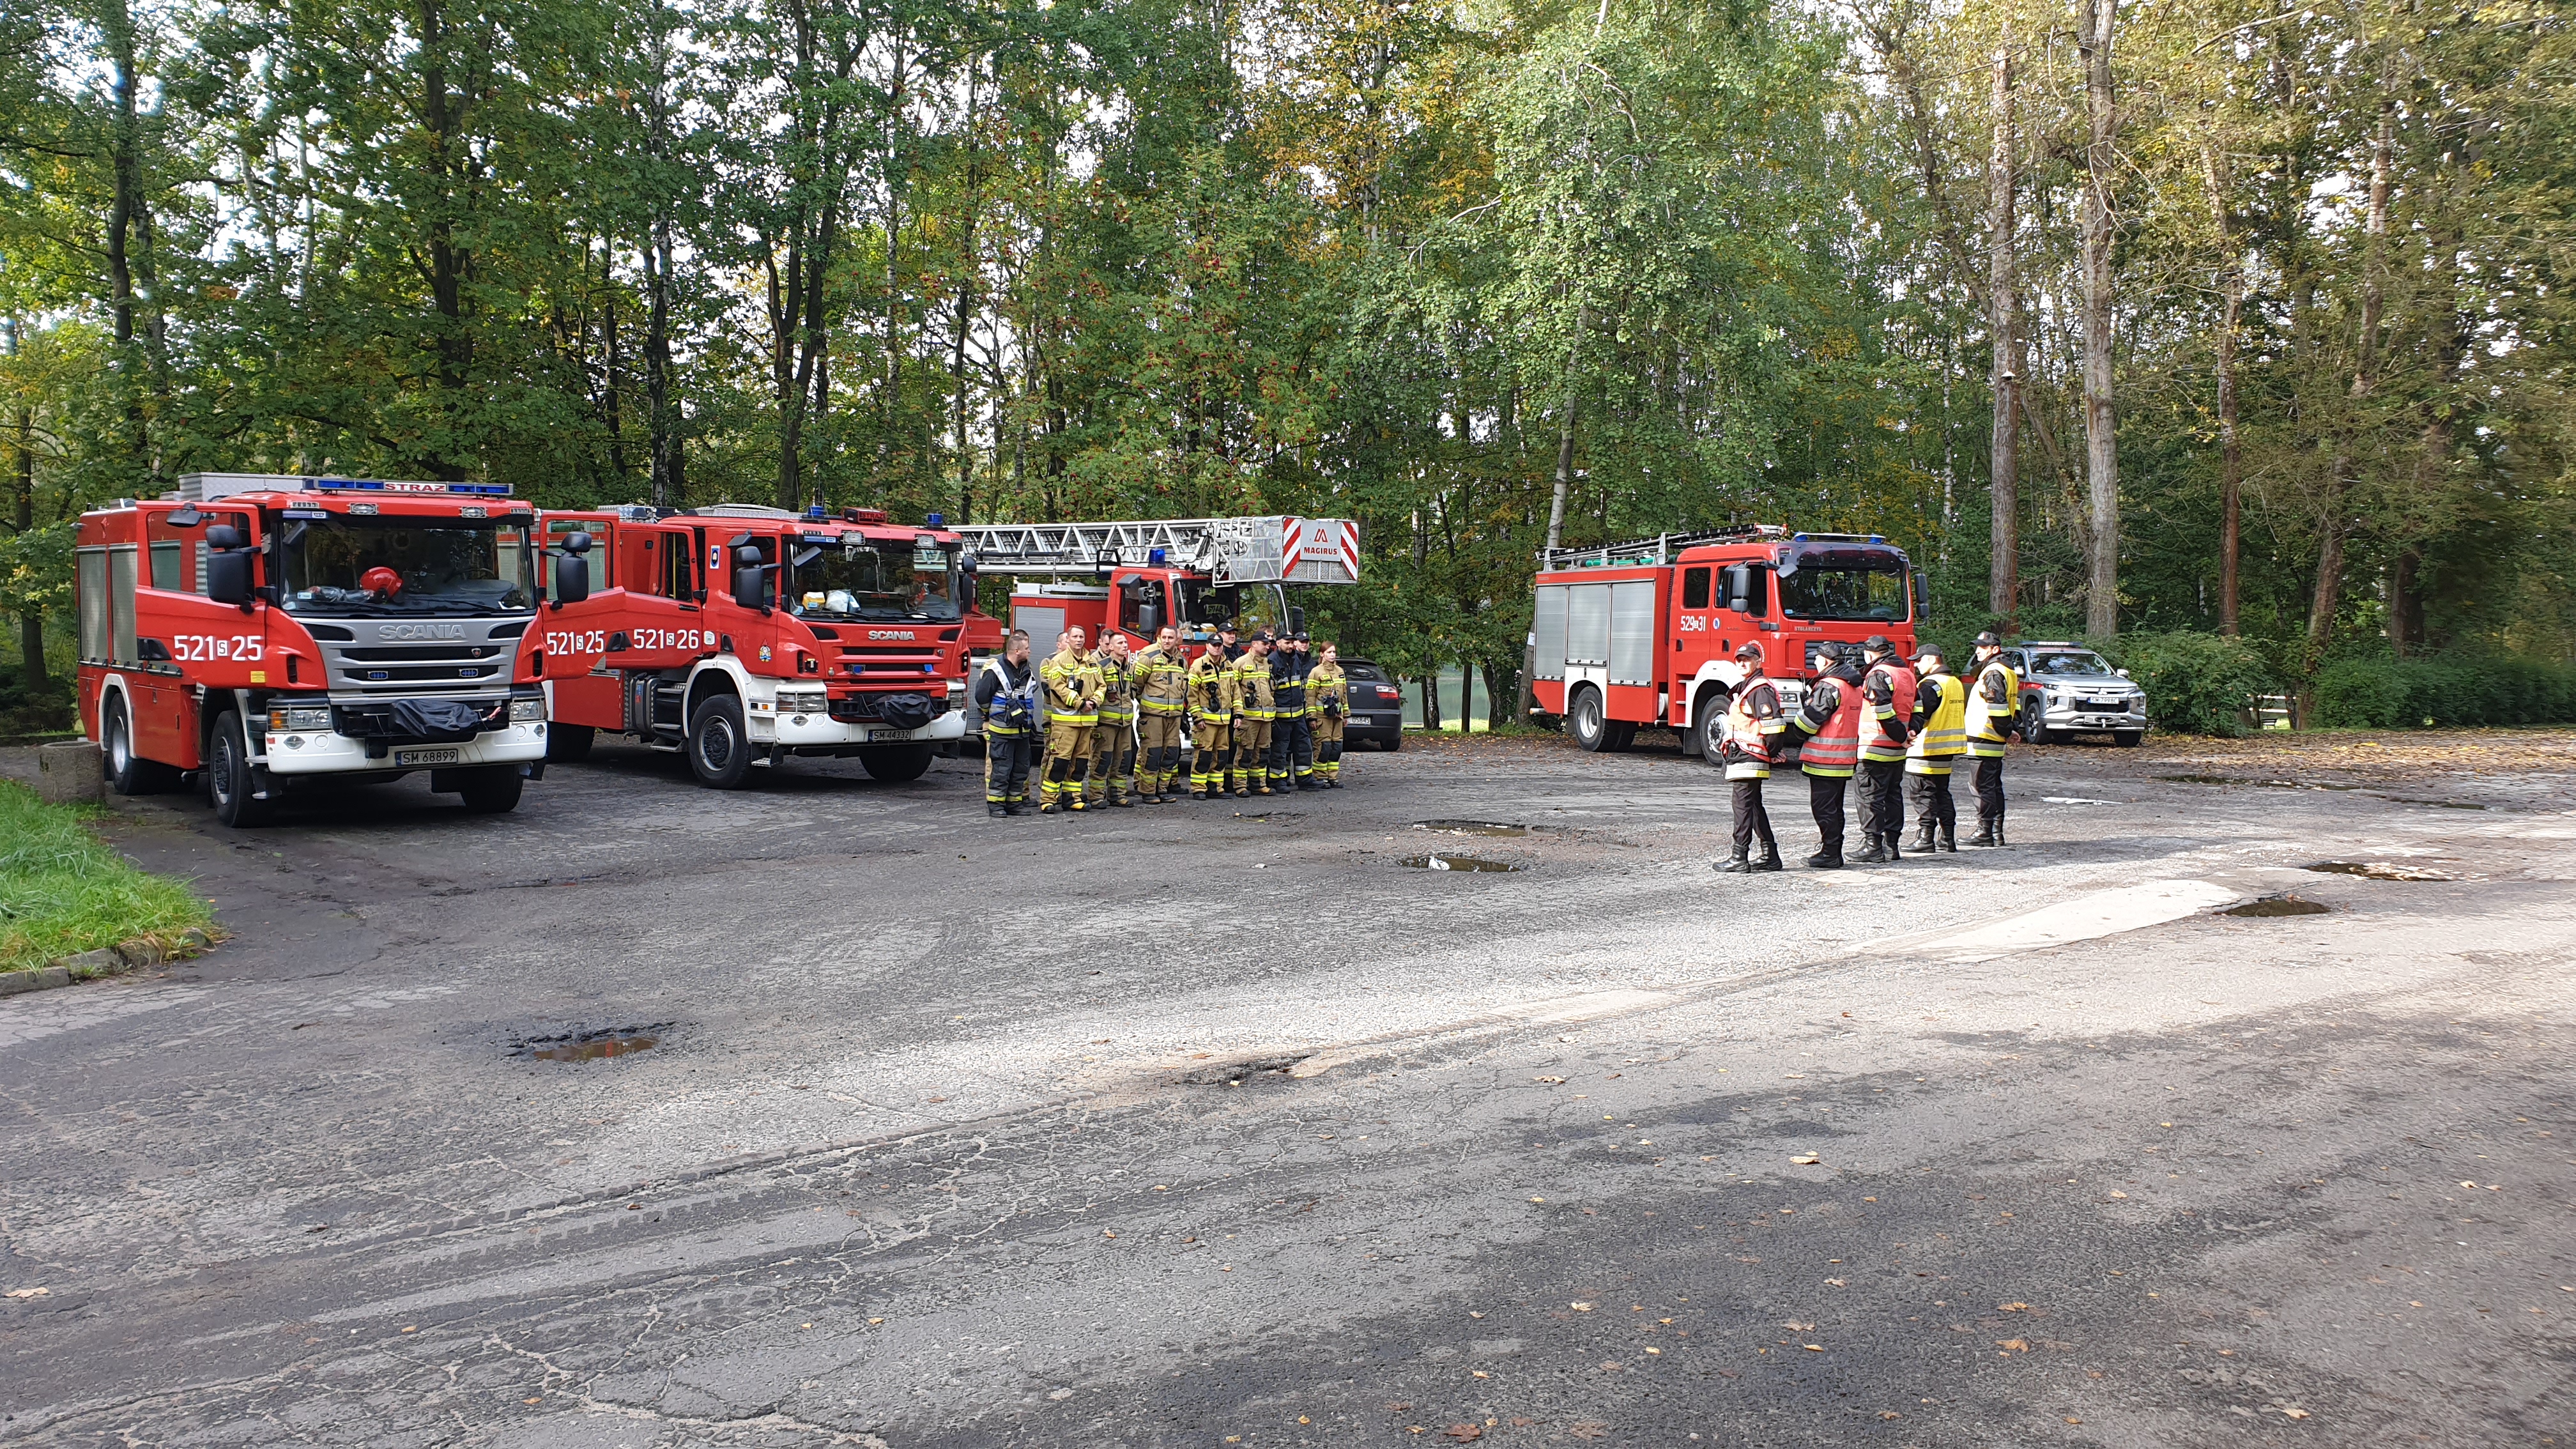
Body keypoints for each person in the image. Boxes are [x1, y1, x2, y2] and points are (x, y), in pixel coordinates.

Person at [1785, 643, 1864, 868]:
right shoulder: (1852, 684)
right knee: (1834, 807)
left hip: (1825, 758)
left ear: (1825, 661)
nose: (1814, 662)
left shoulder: (1829, 685)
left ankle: (1830, 853)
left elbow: (1810, 722)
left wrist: (1800, 720)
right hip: (1843, 757)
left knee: (1823, 808)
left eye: (1816, 659)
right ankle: (1833, 851)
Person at [1713, 641, 1786, 873]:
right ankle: (1770, 855)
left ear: (1758, 661)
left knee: (1742, 807)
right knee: (1753, 806)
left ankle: (1739, 857)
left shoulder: (1759, 689)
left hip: (1749, 757)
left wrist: (1770, 752)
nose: (1743, 663)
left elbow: (1774, 727)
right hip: (1744, 756)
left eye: (1747, 659)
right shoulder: (1750, 687)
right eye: (1739, 660)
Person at [1852, 634, 1919, 864]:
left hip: (1875, 746)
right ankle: (1891, 845)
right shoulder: (1907, 673)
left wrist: (1901, 736)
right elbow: (1919, 707)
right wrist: (1910, 732)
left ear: (1868, 654)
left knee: (1869, 797)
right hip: (1898, 749)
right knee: (1892, 797)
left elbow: (1882, 712)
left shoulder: (1878, 674)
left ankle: (1872, 846)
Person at [1904, 644, 1968, 852]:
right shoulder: (1954, 682)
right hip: (1948, 748)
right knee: (1942, 793)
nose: (1916, 665)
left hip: (1926, 747)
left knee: (1923, 794)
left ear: (1932, 660)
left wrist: (1907, 731)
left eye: (1919, 660)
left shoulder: (1930, 684)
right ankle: (1947, 837)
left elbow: (1921, 714)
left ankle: (1925, 838)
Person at [1963, 630, 2020, 846]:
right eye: (1977, 646)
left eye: (1983, 647)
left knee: (1981, 786)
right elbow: (2014, 704)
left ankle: (1984, 832)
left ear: (1995, 649)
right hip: (1994, 737)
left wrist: (2006, 731)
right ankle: (1996, 832)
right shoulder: (2007, 671)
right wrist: (2010, 729)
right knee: (1993, 786)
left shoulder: (1993, 672)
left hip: (1984, 735)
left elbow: (1996, 706)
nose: (1978, 651)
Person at [1037, 627, 1103, 813]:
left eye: (1082, 636)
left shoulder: (1092, 661)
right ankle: (1048, 799)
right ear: (1068, 639)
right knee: (1059, 762)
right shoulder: (1058, 661)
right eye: (1075, 636)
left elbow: (1102, 685)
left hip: (1087, 722)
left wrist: (1094, 701)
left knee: (1080, 763)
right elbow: (1057, 687)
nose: (1079, 640)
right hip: (1065, 723)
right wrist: (1079, 703)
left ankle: (1072, 798)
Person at [974, 630, 1037, 816]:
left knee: (1020, 769)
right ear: (1017, 651)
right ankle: (996, 805)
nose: (1029, 651)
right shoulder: (996, 670)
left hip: (1022, 730)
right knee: (1002, 769)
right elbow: (982, 697)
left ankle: (1014, 803)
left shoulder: (1026, 669)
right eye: (1027, 648)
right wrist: (994, 715)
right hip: (1001, 731)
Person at [1131, 624, 1190, 803]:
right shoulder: (1148, 656)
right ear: (1159, 637)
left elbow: (1183, 688)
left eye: (1171, 638)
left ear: (1177, 639)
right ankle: (1148, 791)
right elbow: (1136, 685)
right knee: (1152, 754)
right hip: (1153, 716)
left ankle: (1162, 789)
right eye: (1164, 637)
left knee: (1170, 754)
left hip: (1174, 717)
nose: (1167, 641)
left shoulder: (1181, 661)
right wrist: (1147, 706)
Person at [1087, 632, 1138, 807]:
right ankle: (1096, 796)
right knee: (1102, 760)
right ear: (1110, 647)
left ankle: (1117, 795)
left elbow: (1133, 690)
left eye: (1126, 642)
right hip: (1106, 723)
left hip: (1125, 723)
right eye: (1120, 643)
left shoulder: (1129, 667)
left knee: (1123, 760)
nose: (1125, 646)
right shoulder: (1101, 666)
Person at [1186, 624, 1237, 799]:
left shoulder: (1228, 666)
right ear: (1207, 646)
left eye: (1219, 645)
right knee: (1203, 755)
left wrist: (1238, 714)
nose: (1217, 648)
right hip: (1206, 722)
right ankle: (1199, 788)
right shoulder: (1198, 665)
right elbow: (1191, 695)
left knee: (1221, 755)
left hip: (1224, 721)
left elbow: (1235, 692)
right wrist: (1197, 717)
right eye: (1214, 645)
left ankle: (1216, 788)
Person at [1228, 632, 1277, 797]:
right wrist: (1238, 714)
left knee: (1263, 753)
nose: (1267, 646)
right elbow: (1233, 690)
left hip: (1266, 717)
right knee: (1245, 753)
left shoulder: (1268, 664)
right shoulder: (1240, 663)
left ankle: (1258, 784)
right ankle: (1240, 786)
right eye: (1264, 643)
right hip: (1248, 718)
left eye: (1268, 644)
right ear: (1254, 644)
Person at [1271, 631, 1314, 791]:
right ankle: (1278, 781)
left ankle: (1305, 779)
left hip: (1298, 714)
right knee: (1280, 750)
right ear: (1278, 644)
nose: (1290, 646)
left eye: (1291, 643)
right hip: (1281, 715)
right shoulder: (1272, 661)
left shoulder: (1296, 660)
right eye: (1287, 643)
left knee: (1304, 747)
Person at [1308, 642, 1349, 787]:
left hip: (1337, 717)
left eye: (1334, 652)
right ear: (1322, 654)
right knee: (1323, 747)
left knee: (1336, 747)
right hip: (1322, 718)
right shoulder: (1316, 672)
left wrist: (1346, 714)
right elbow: (1310, 696)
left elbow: (1344, 695)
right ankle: (1320, 777)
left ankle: (1333, 778)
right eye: (1329, 652)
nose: (1332, 655)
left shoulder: (1340, 671)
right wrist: (1312, 717)